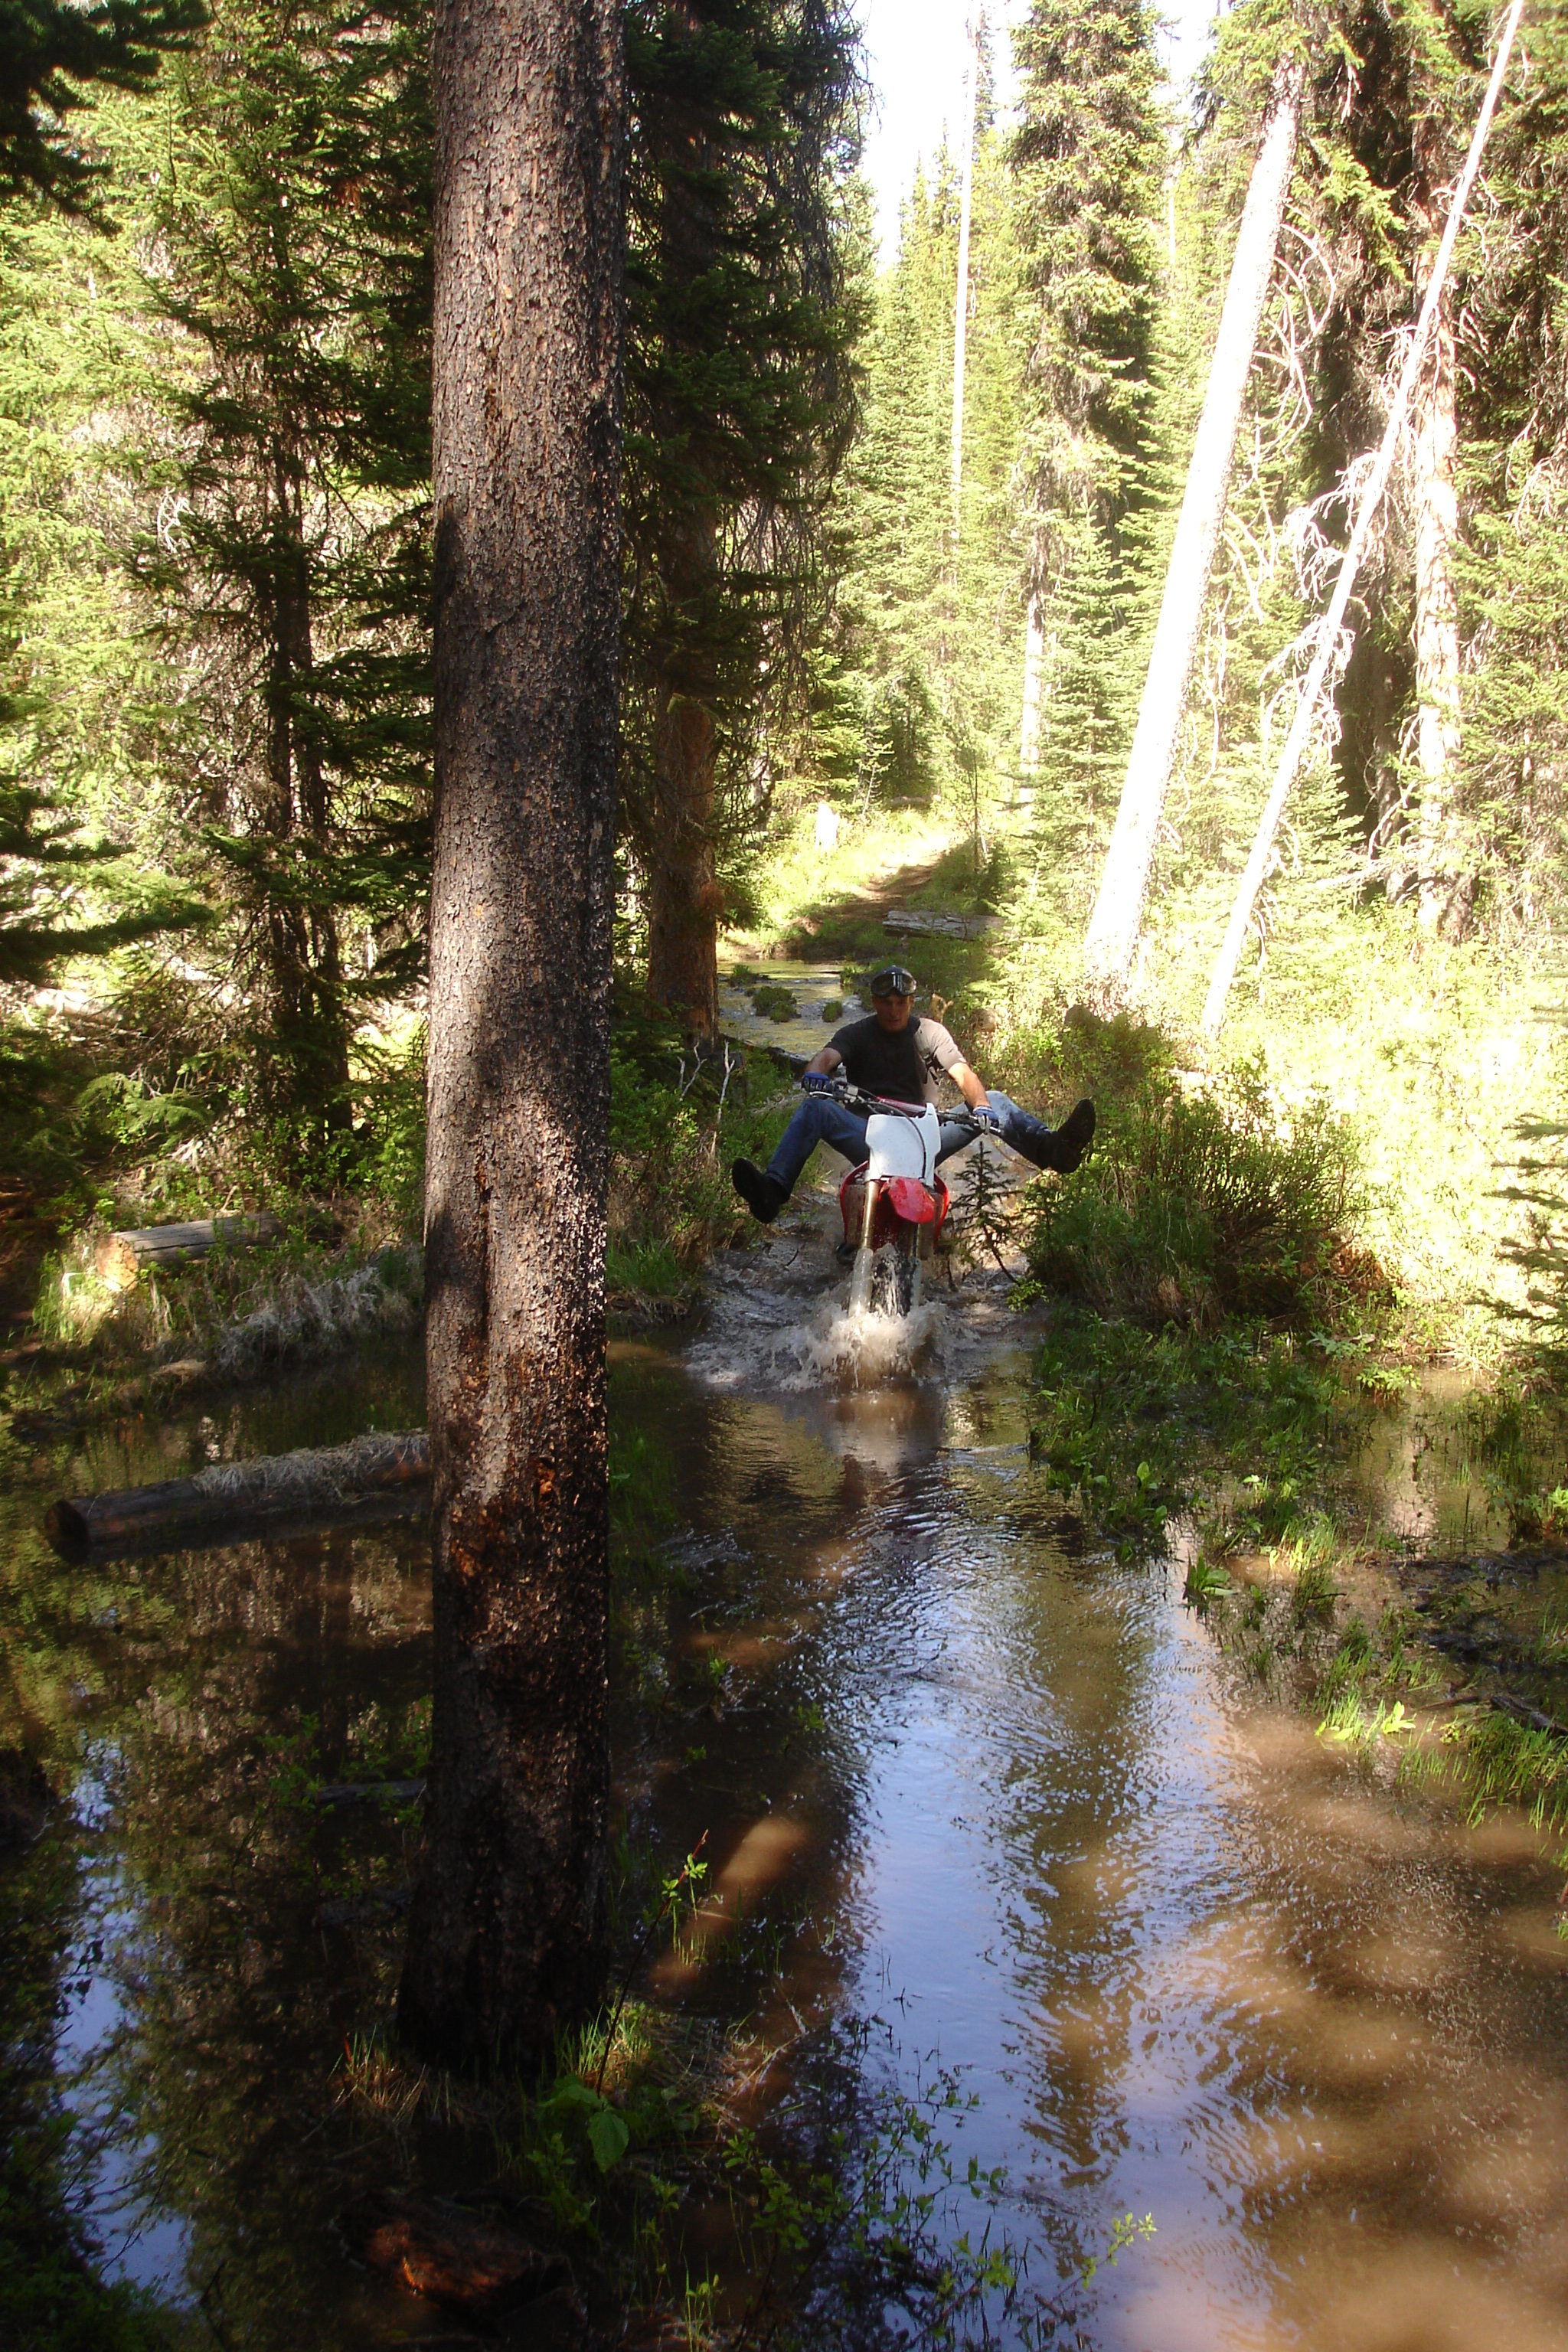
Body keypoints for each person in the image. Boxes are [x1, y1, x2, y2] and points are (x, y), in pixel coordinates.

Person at [730, 963, 1096, 1224]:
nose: (893, 1010)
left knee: (997, 1100)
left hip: (926, 1137)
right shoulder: (857, 1033)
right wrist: (815, 1077)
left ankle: (1054, 1151)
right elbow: (825, 1058)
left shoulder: (931, 1033)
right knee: (815, 1109)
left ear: (911, 1001)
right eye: (886, 1003)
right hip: (869, 1138)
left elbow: (962, 1073)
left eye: (901, 1002)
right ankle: (772, 1192)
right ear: (874, 1002)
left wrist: (981, 1105)